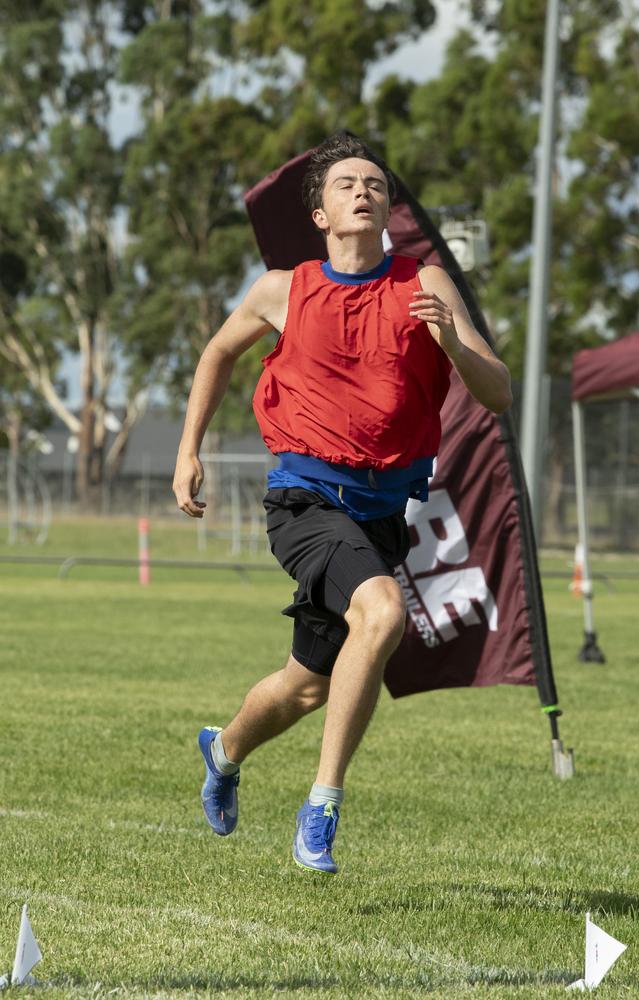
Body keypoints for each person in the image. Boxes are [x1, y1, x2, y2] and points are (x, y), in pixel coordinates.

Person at [173, 133, 512, 875]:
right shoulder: (283, 289)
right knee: (383, 613)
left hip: (381, 513)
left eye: (377, 185)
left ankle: (224, 750)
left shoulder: (424, 284)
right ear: (321, 213)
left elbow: (499, 393)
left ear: (387, 207)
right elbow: (216, 353)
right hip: (304, 498)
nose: (365, 192)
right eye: (348, 185)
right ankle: (322, 806)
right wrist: (188, 448)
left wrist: (453, 339)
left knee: (307, 685)